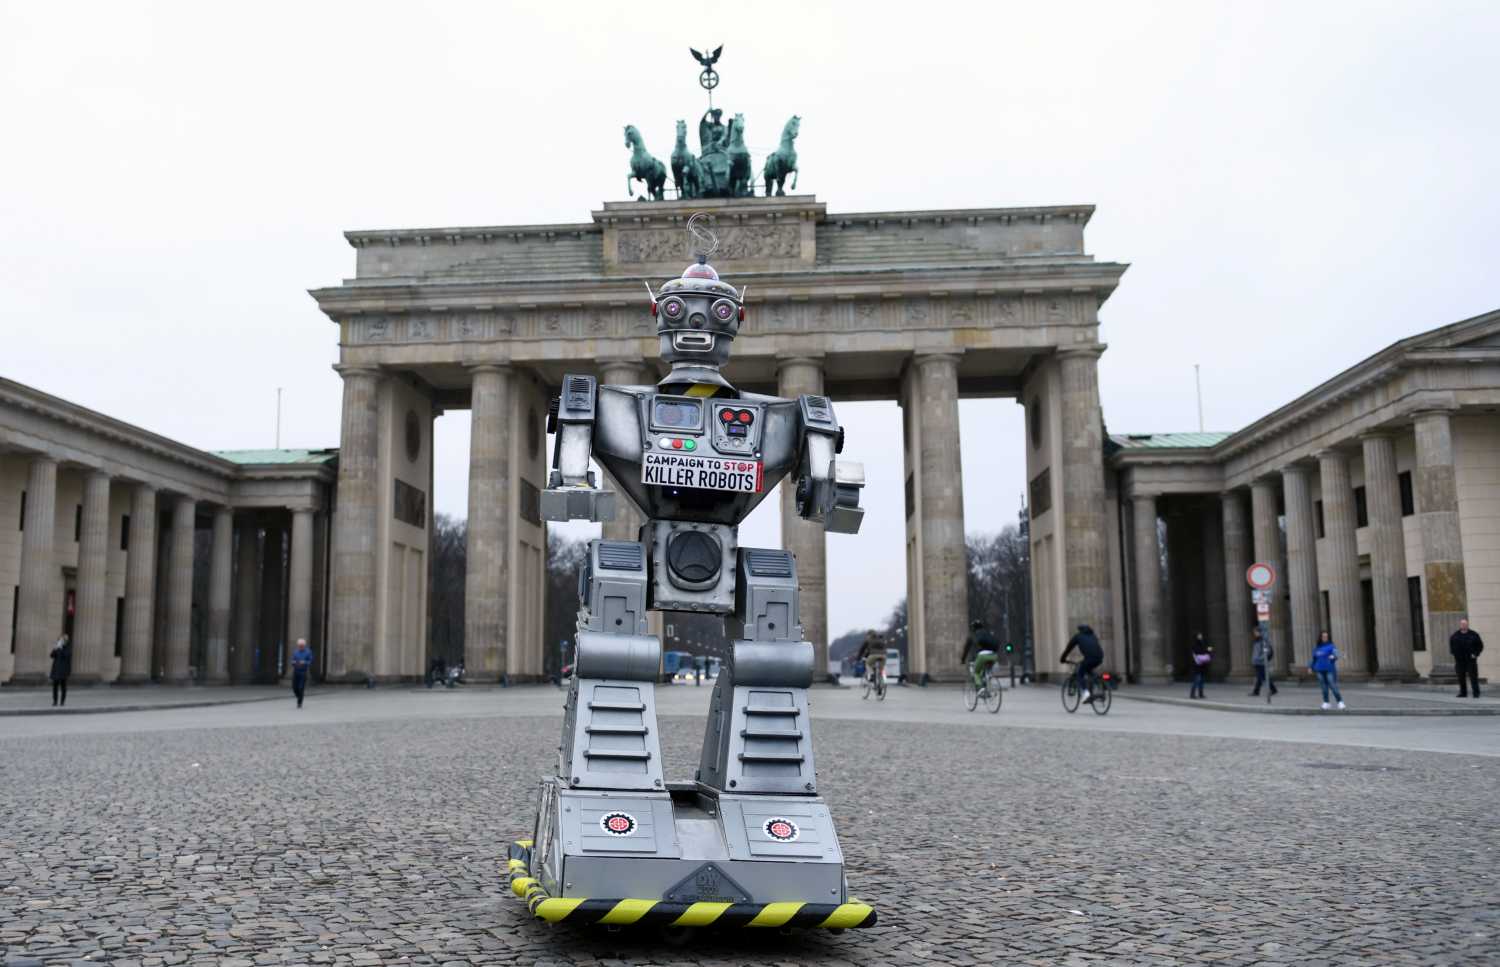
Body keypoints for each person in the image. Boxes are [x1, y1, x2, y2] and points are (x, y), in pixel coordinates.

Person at [1060, 624, 1103, 702]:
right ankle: (1097, 687)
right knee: (1088, 669)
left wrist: (1062, 659)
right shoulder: (1093, 636)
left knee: (1079, 675)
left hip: (1089, 658)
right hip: (1099, 658)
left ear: (1080, 630)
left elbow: (1068, 649)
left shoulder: (1078, 636)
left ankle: (1086, 693)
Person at [1309, 630, 1346, 710]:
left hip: (1329, 669)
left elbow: (1336, 654)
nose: (1325, 638)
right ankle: (1326, 702)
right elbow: (1314, 659)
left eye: (1326, 636)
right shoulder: (1317, 648)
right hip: (1319, 670)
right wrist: (1310, 667)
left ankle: (1340, 702)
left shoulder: (1331, 646)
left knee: (1333, 685)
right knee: (1324, 687)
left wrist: (1334, 657)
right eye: (1323, 636)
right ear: (1320, 637)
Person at [1450, 618, 1484, 698]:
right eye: (1462, 624)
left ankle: (1476, 693)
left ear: (1467, 625)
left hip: (1471, 660)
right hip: (1460, 660)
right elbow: (1452, 647)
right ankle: (1463, 693)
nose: (1463, 625)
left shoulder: (1474, 635)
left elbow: (1480, 646)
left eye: (1465, 624)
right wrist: (1455, 654)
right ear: (1460, 625)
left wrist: (1475, 654)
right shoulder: (1455, 636)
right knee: (1461, 677)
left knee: (1473, 677)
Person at [962, 620, 1000, 688]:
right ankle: (988, 685)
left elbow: (966, 649)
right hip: (994, 656)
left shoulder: (973, 636)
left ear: (973, 628)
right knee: (986, 672)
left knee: (976, 672)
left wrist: (963, 659)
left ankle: (980, 688)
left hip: (982, 656)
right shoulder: (989, 633)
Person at [1249, 626, 1277, 697]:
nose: (1255, 633)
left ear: (1260, 632)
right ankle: (1257, 691)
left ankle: (1272, 689)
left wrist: (1260, 658)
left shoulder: (1263, 640)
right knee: (1260, 677)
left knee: (1263, 677)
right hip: (1256, 662)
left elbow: (1267, 651)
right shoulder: (1256, 641)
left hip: (1260, 662)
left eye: (1256, 632)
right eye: (1254, 632)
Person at [49, 633, 72, 707]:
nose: (60, 641)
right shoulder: (58, 647)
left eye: (62, 640)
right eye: (60, 640)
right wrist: (55, 648)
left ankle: (62, 701)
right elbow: (51, 655)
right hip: (56, 670)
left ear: (65, 641)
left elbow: (66, 655)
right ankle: (55, 701)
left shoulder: (68, 647)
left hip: (63, 671)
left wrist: (61, 648)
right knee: (55, 687)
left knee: (63, 687)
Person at [290, 638, 313, 708]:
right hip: (296, 671)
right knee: (294, 687)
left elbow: (310, 661)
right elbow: (292, 660)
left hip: (303, 672)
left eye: (302, 645)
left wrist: (304, 662)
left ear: (304, 645)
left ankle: (299, 702)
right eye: (299, 645)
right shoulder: (295, 652)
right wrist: (293, 662)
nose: (300, 647)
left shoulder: (308, 652)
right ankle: (299, 696)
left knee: (301, 687)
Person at [1189, 633, 1212, 699]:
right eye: (1199, 636)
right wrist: (1206, 650)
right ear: (1196, 637)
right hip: (1197, 665)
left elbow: (1208, 651)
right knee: (1197, 680)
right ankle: (1192, 694)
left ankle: (1201, 694)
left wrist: (1209, 650)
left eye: (1201, 636)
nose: (1200, 637)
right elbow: (1197, 652)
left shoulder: (1203, 644)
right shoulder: (1194, 645)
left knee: (1202, 680)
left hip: (1203, 665)